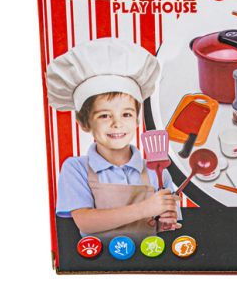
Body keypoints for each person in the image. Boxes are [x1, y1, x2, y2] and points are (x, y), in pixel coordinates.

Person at [47, 38, 181, 239]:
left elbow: (166, 225)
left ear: (137, 119)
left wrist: (166, 220)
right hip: (97, 255)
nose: (117, 124)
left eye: (126, 114)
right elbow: (85, 221)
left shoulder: (157, 171)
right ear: (84, 123)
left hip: (150, 253)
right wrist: (146, 208)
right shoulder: (76, 168)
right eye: (104, 116)